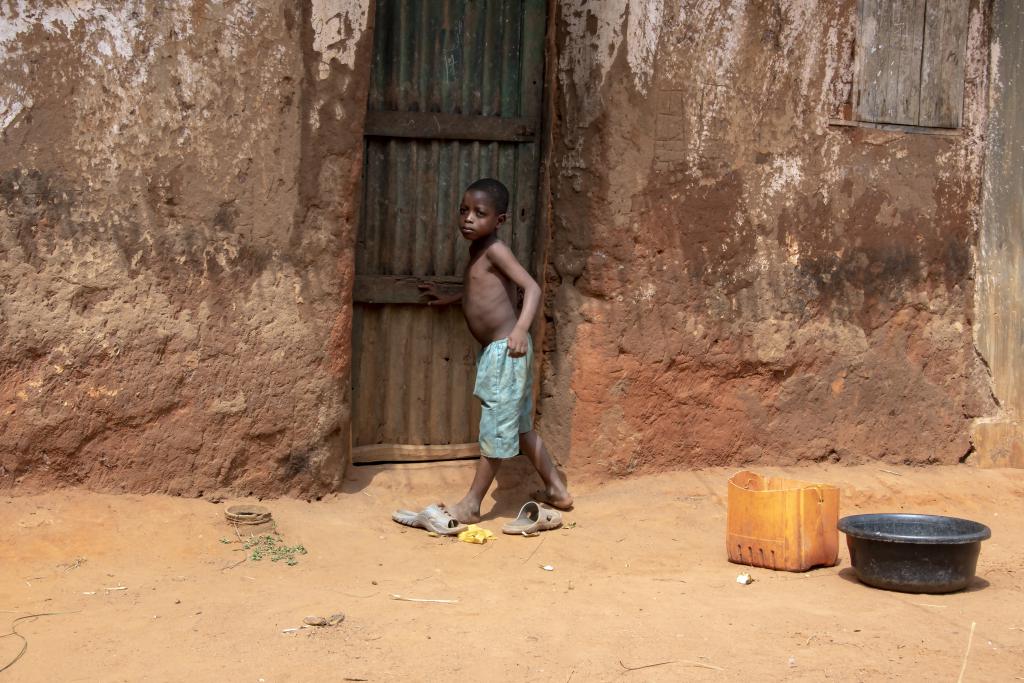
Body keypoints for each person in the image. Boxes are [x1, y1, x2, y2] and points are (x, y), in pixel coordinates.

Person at [420, 178, 573, 523]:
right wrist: (451, 298)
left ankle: (472, 505)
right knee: (519, 427)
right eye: (463, 211)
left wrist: (520, 329)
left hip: (508, 352)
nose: (468, 219)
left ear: (499, 220)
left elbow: (530, 288)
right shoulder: (477, 251)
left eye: (479, 213)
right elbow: (485, 291)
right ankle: (557, 491)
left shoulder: (496, 250)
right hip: (502, 353)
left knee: (496, 428)